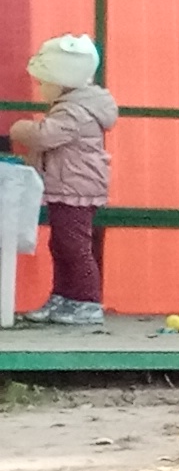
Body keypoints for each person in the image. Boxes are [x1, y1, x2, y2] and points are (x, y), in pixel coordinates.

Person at [10, 33, 117, 326]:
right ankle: (64, 296)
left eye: (43, 83)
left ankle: (86, 300)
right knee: (61, 245)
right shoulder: (73, 107)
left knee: (74, 246)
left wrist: (19, 128)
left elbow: (45, 136)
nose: (40, 88)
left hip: (76, 189)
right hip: (68, 186)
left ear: (61, 82)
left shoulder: (73, 111)